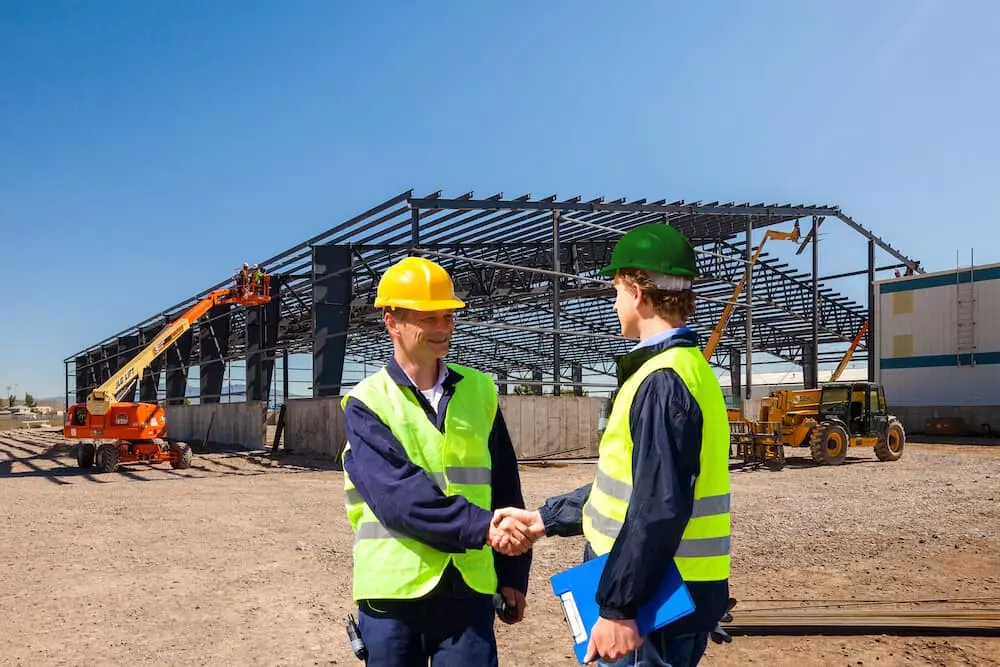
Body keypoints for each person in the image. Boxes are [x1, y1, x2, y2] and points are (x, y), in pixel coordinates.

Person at [495, 223, 732, 666]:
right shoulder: (688, 370)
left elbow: (659, 505)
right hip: (669, 592)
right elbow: (624, 489)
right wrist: (546, 519)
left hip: (654, 605)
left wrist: (620, 608)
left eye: (616, 290)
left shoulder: (662, 381)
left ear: (639, 291)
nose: (614, 302)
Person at [340, 255, 534, 667]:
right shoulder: (367, 402)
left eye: (447, 317)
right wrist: (483, 527)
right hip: (394, 590)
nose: (443, 328)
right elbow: (398, 498)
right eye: (429, 318)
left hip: (469, 584)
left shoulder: (479, 391)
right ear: (391, 321)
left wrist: (513, 573)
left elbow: (504, 484)